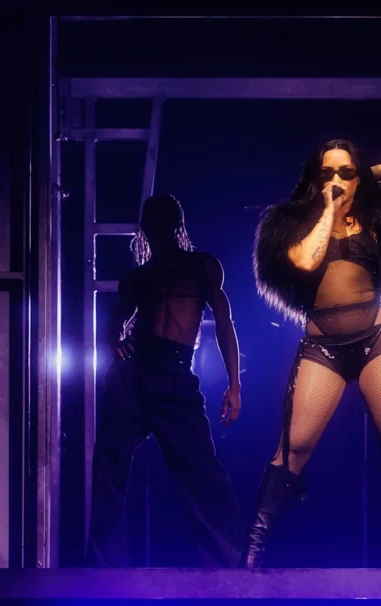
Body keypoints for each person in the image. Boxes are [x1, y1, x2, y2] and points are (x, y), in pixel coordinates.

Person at [246, 139, 381, 569]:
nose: (337, 180)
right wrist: (329, 205)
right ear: (315, 179)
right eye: (327, 173)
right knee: (294, 447)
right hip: (323, 346)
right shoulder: (292, 223)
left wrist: (361, 176)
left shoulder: (376, 218)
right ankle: (252, 552)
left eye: (345, 172)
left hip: (375, 340)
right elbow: (306, 263)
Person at [85, 193, 245, 567]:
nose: (158, 231)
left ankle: (229, 563)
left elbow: (225, 325)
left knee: (202, 470)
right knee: (109, 464)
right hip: (134, 376)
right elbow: (112, 326)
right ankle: (102, 567)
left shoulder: (202, 267)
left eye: (163, 223)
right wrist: (116, 344)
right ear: (146, 229)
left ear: (175, 226)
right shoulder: (138, 278)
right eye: (153, 224)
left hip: (174, 376)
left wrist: (234, 385)